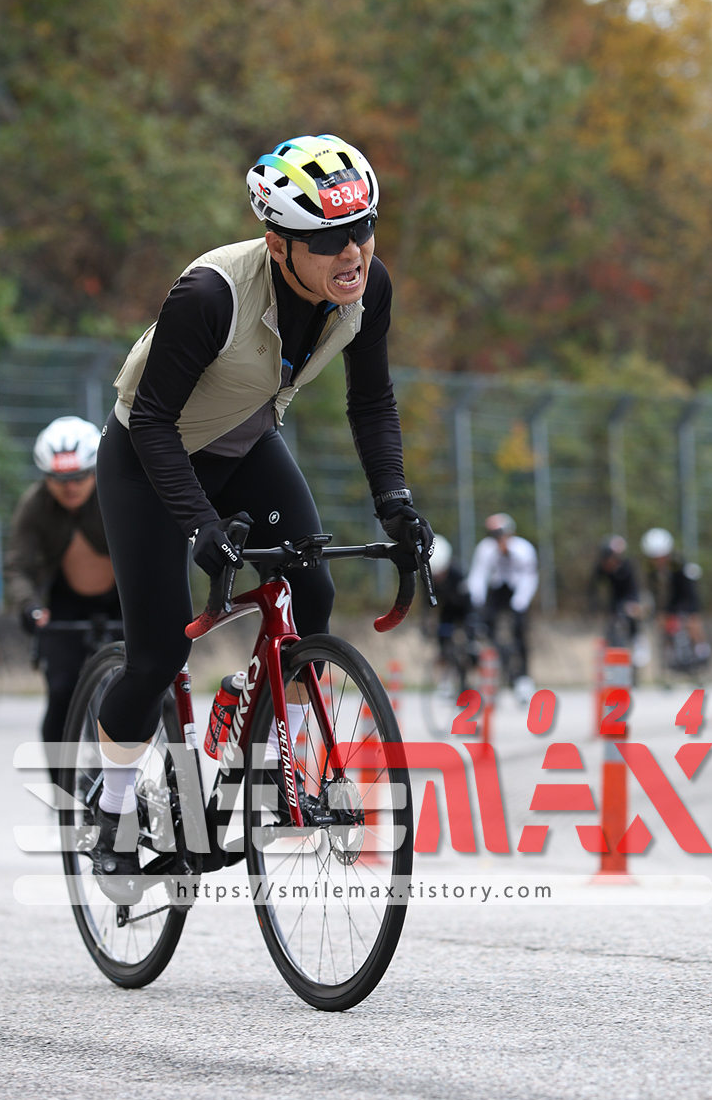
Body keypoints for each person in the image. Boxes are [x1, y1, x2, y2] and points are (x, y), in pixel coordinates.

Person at [90, 133, 433, 890]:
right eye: (329, 240)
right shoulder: (211, 294)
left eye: (364, 229)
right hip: (149, 458)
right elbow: (152, 424)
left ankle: (273, 764)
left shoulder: (366, 287)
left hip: (243, 444)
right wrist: (200, 525)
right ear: (278, 245)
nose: (353, 252)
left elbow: (372, 399)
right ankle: (110, 809)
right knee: (158, 655)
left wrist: (395, 502)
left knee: (312, 589)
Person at [5, 416, 120, 745]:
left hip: (123, 601)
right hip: (65, 604)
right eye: (59, 479)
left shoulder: (118, 493)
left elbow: (151, 549)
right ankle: (61, 777)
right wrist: (29, 605)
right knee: (60, 692)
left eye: (79, 476)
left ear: (94, 470)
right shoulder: (34, 505)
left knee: (136, 688)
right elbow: (18, 566)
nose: (70, 487)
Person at [465, 512, 539, 702]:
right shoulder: (485, 549)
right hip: (497, 590)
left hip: (518, 590)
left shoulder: (523, 549)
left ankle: (523, 676)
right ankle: (496, 666)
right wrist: (477, 602)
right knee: (484, 626)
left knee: (520, 631)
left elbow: (530, 578)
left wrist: (519, 603)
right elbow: (478, 576)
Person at [639, 526, 710, 670]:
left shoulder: (679, 564)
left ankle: (702, 649)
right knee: (661, 621)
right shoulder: (651, 570)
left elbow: (688, 590)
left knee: (692, 620)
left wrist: (685, 610)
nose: (658, 560)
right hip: (670, 600)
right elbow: (655, 592)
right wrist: (658, 611)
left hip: (686, 597)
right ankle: (669, 654)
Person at [425, 535, 475, 698]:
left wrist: (471, 626)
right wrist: (425, 623)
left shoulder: (458, 574)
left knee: (469, 644)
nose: (438, 578)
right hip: (448, 611)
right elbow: (426, 604)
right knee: (442, 638)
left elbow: (470, 602)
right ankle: (445, 680)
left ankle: (468, 677)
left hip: (465, 609)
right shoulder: (428, 578)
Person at [588, 534, 642, 648]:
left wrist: (633, 603)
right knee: (611, 622)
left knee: (632, 615)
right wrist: (594, 604)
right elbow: (593, 587)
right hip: (615, 599)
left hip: (629, 597)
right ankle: (610, 645)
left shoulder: (626, 567)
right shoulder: (602, 568)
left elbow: (633, 588)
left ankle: (636, 640)